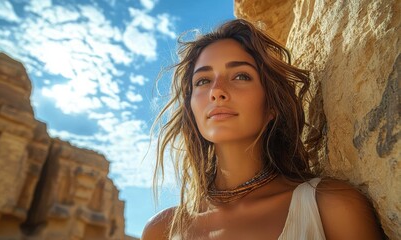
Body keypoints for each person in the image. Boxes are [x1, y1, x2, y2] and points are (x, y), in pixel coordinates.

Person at [142, 19, 384, 240]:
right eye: (203, 81)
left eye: (240, 76)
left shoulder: (330, 205)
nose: (216, 90)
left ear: (272, 105)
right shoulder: (162, 230)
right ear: (191, 108)